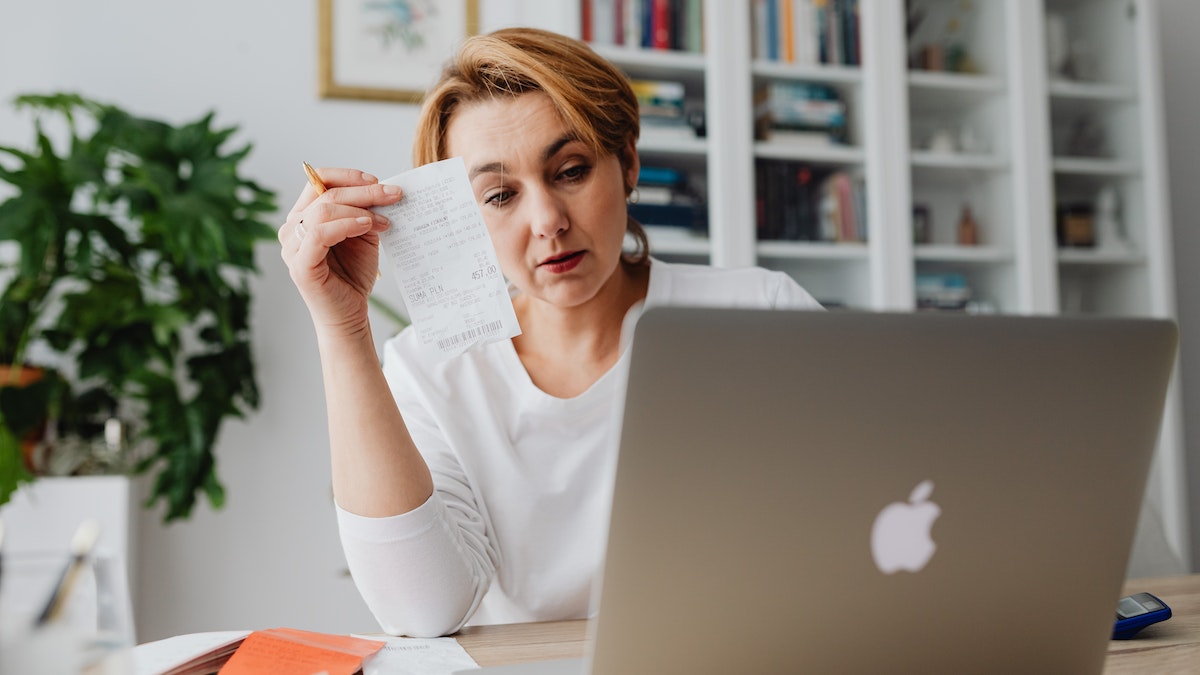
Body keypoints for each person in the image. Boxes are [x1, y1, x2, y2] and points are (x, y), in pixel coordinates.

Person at [278, 27, 822, 638]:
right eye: (501, 194)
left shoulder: (762, 314)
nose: (548, 222)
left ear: (628, 163)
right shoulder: (431, 372)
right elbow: (421, 610)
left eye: (570, 170)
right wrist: (343, 327)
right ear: (461, 215)